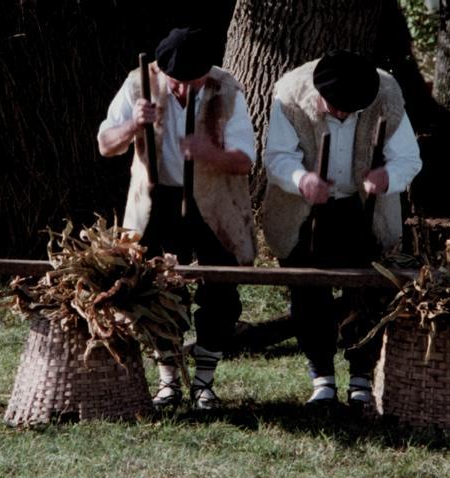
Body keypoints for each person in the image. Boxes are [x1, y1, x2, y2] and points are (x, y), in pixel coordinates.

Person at [97, 27, 257, 410]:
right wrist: (134, 124)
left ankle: (204, 382)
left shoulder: (226, 89)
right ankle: (168, 380)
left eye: (193, 83)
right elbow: (105, 145)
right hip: (157, 203)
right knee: (156, 291)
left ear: (208, 71)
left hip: (214, 203)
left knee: (222, 290)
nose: (183, 91)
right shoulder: (140, 83)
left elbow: (246, 160)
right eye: (176, 83)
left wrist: (210, 152)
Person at [260, 49, 422, 407]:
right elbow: (276, 158)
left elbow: (409, 158)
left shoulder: (387, 96)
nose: (342, 115)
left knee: (366, 289)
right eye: (336, 107)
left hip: (362, 207)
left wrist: (387, 177)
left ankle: (361, 376)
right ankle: (322, 378)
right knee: (307, 288)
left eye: (350, 110)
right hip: (303, 208)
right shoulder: (289, 94)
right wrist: (302, 180)